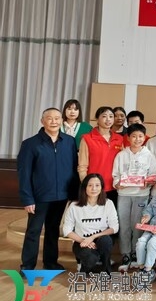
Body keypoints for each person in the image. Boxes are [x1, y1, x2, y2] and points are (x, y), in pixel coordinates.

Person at [18, 107, 78, 271]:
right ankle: (27, 266)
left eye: (57, 118)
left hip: (62, 195)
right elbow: (24, 174)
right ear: (42, 121)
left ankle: (51, 263)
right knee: (33, 231)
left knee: (53, 230)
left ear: (61, 121)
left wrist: (74, 194)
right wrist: (27, 199)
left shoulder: (69, 141)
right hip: (39, 196)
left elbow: (74, 168)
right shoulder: (30, 144)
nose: (54, 121)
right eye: (49, 118)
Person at [112, 123, 156, 272]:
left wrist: (148, 183)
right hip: (124, 195)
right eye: (134, 136)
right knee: (124, 225)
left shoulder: (149, 155)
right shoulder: (121, 155)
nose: (137, 139)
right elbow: (115, 175)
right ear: (128, 138)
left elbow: (153, 175)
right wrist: (118, 184)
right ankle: (125, 254)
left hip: (141, 195)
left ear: (144, 137)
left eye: (140, 136)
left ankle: (135, 252)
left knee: (137, 225)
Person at [63, 174, 119, 273]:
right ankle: (87, 266)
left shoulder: (108, 203)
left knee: (106, 240)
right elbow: (66, 230)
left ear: (101, 187)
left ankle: (106, 266)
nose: (94, 188)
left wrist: (93, 237)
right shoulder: (74, 206)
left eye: (97, 185)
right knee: (91, 259)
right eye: (90, 185)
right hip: (81, 242)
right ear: (84, 187)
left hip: (101, 240)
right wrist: (83, 240)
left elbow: (114, 227)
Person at [78, 106, 124, 204]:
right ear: (97, 119)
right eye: (104, 116)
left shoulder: (119, 139)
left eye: (111, 116)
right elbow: (82, 166)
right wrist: (86, 185)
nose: (108, 119)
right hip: (94, 188)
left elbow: (123, 163)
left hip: (114, 186)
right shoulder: (87, 138)